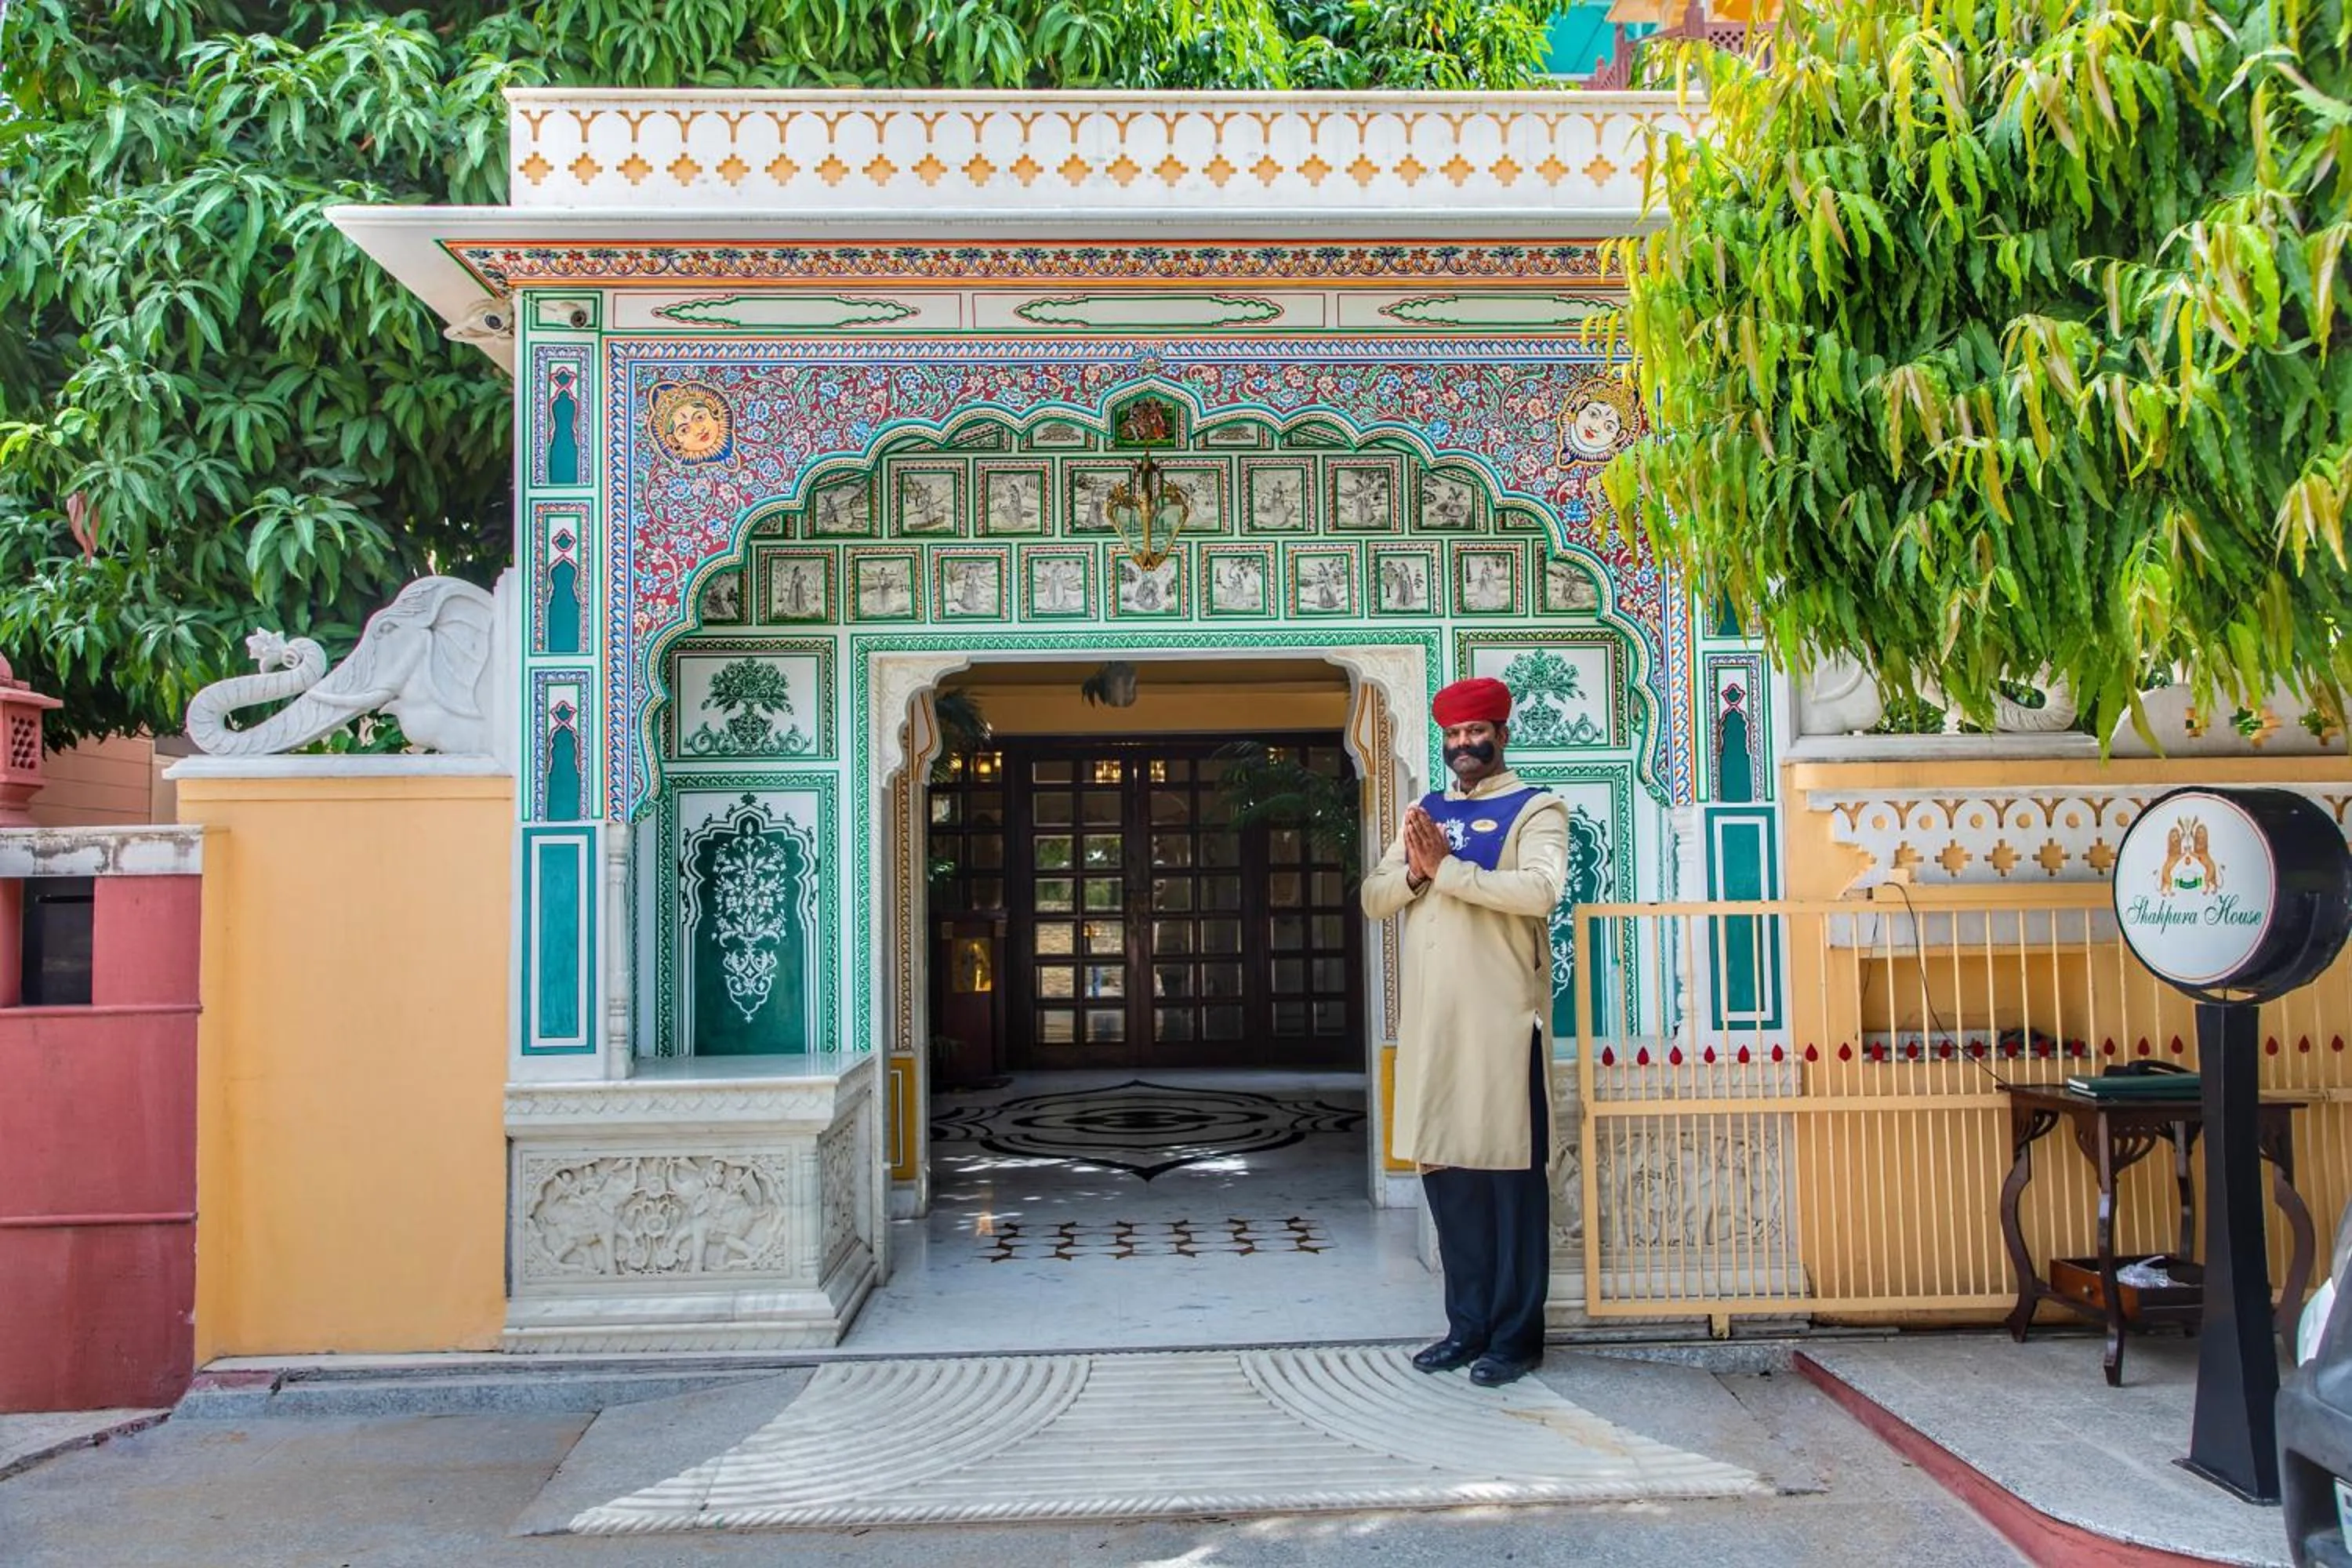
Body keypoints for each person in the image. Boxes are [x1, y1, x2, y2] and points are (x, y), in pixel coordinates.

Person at [1361, 675, 1569, 1387]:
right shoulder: (1425, 810)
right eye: (1452, 736)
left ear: (1501, 735)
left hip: (1503, 1031)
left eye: (1475, 733)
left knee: (1512, 1189)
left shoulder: (1535, 809)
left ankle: (1517, 1338)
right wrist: (1417, 876)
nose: (1463, 747)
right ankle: (1466, 1326)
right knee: (1451, 1187)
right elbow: (1374, 896)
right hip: (1434, 1031)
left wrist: (1445, 869)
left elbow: (1538, 892)